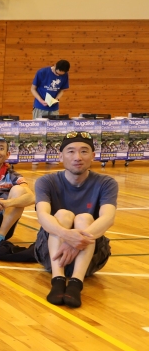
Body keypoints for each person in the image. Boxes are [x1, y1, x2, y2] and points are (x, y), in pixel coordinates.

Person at [34, 132, 117, 308]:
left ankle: (75, 283)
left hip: (91, 259)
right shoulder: (46, 181)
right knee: (63, 215)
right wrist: (67, 235)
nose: (77, 157)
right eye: (71, 151)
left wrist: (75, 242)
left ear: (93, 156)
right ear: (60, 156)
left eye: (84, 151)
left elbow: (108, 218)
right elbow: (42, 215)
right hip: (51, 255)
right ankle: (57, 279)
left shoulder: (106, 183)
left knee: (84, 218)